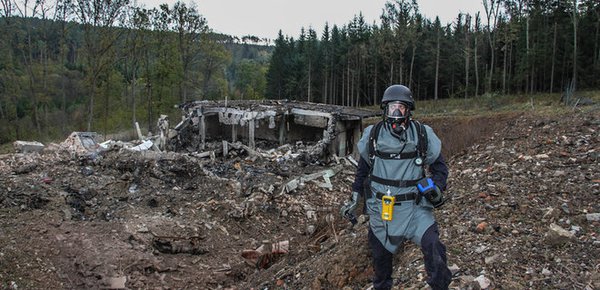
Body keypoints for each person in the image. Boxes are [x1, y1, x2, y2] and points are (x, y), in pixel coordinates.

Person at [340, 84, 452, 290]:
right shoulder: (372, 136)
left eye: (402, 107)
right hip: (382, 210)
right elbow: (362, 172)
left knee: (433, 246)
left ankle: (441, 285)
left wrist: (437, 187)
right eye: (392, 107)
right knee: (380, 259)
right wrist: (355, 197)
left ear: (409, 110)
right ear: (385, 109)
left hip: (415, 209)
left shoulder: (421, 135)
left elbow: (440, 168)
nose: (396, 112)